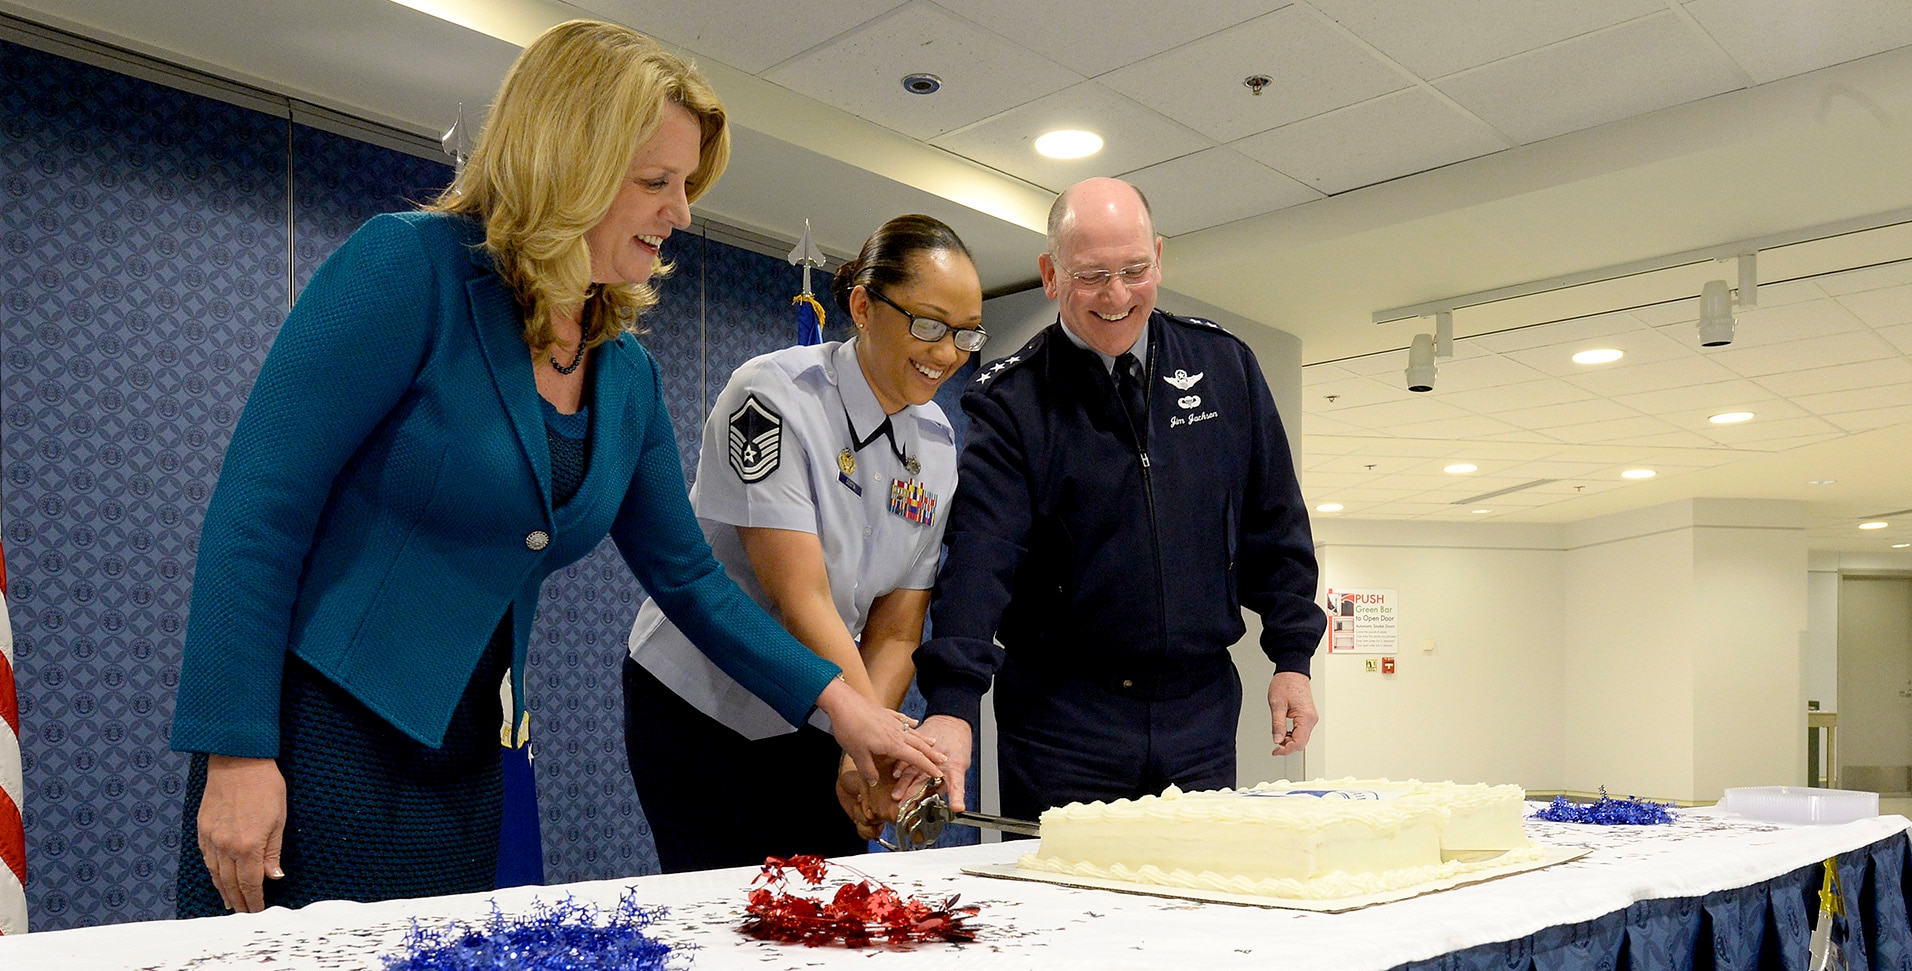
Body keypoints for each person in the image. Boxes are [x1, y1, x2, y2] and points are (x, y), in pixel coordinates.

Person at [171, 20, 942, 916]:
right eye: (657, 182)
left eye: (686, 185)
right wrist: (236, 753)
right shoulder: (405, 269)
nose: (682, 213)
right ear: (566, 165)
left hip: (465, 758)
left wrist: (849, 711)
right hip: (317, 746)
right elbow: (258, 513)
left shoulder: (625, 372)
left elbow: (692, 580)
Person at [912, 177, 1325, 820]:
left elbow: (1275, 526)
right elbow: (979, 562)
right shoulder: (1010, 400)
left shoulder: (1225, 367)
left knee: (1197, 901)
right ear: (1050, 274)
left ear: (1159, 257)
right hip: (1062, 722)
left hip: (1200, 714)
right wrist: (953, 705)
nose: (1117, 295)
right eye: (1092, 275)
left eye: (1135, 270)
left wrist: (1292, 657)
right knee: (1065, 912)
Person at [623, 215, 984, 871]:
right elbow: (802, 596)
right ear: (863, 307)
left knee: (832, 908)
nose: (947, 352)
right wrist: (863, 729)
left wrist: (861, 745)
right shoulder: (771, 395)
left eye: (965, 334)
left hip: (829, 705)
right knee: (731, 916)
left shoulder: (936, 442)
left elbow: (899, 623)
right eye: (929, 324)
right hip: (703, 703)